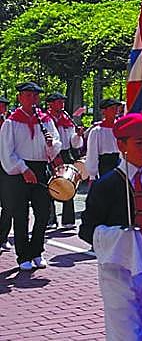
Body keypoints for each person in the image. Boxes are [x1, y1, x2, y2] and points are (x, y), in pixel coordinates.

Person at [78, 113, 142, 341]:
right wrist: (118, 236)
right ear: (121, 145)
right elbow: (87, 230)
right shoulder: (106, 186)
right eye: (139, 143)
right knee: (125, 332)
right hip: (117, 269)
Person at [0, 82, 62, 271]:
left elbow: (56, 145)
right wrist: (23, 169)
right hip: (19, 172)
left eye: (35, 96)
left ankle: (37, 251)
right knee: (20, 215)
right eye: (28, 95)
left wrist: (51, 145)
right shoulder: (11, 122)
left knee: (43, 213)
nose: (32, 99)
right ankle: (23, 256)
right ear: (20, 97)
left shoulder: (45, 120)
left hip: (40, 168)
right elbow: (6, 152)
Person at [45, 92, 84, 229]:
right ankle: (51, 219)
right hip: (50, 155)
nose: (62, 105)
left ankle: (68, 220)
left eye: (62, 102)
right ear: (50, 104)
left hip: (66, 154)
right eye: (59, 102)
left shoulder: (67, 119)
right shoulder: (45, 119)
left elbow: (74, 143)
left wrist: (78, 135)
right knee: (50, 187)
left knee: (69, 185)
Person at [85, 98, 123, 183]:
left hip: (119, 163)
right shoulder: (97, 131)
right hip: (105, 164)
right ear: (104, 111)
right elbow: (92, 153)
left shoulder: (120, 129)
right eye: (112, 108)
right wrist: (92, 175)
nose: (115, 111)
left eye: (116, 108)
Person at [0, 95, 12, 251]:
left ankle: (3, 237)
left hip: (7, 168)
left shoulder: (10, 123)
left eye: (3, 107)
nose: (2, 109)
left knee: (8, 204)